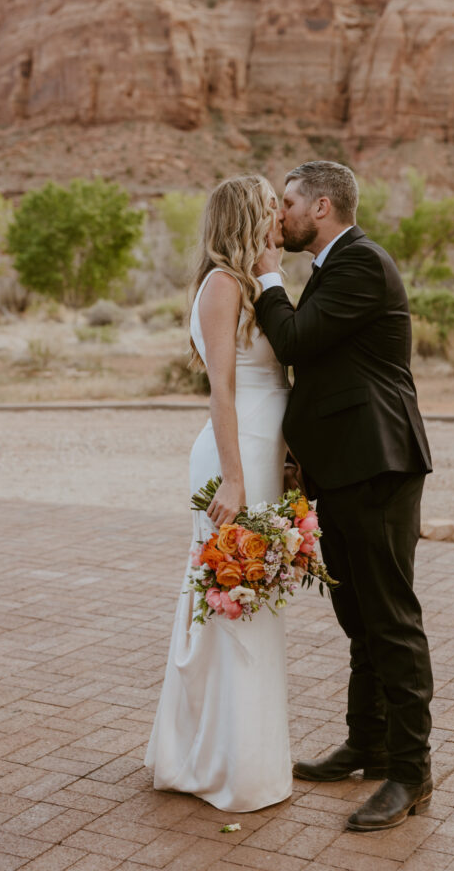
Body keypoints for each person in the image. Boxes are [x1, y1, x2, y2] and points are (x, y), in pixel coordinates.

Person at [254, 160, 434, 832]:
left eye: (289, 203)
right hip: (347, 467)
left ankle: (411, 773)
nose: (280, 216)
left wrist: (267, 272)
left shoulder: (359, 263)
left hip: (379, 466)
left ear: (322, 207)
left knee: (390, 618)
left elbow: (296, 340)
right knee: (357, 614)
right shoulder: (334, 268)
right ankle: (369, 741)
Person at [145, 174, 292, 812]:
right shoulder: (223, 285)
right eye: (270, 210)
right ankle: (216, 760)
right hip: (236, 456)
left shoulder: (256, 282)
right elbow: (223, 390)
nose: (281, 220)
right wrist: (234, 479)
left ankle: (236, 752)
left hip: (262, 453)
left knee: (253, 599)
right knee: (234, 596)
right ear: (245, 218)